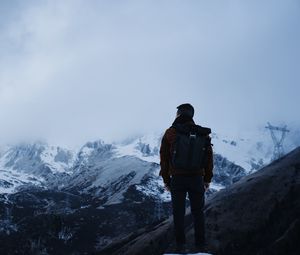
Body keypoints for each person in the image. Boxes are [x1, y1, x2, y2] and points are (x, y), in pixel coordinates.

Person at [159, 103, 213, 253]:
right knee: (198, 212)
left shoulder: (171, 132)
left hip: (178, 178)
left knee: (178, 213)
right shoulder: (202, 133)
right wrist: (207, 179)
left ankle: (180, 247)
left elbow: (164, 159)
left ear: (179, 114)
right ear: (191, 115)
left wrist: (166, 180)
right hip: (197, 178)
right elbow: (209, 158)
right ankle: (200, 246)